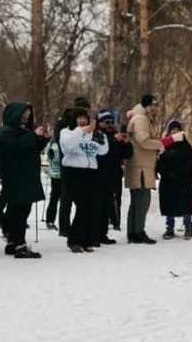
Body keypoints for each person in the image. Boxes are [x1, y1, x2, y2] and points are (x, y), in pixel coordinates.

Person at [0, 102, 48, 258]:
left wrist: (43, 139)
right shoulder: (7, 132)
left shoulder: (22, 131)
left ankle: (13, 241)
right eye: (24, 113)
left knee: (20, 210)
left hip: (25, 176)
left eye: (27, 114)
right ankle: (19, 243)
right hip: (16, 177)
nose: (27, 116)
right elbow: (16, 148)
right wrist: (33, 135)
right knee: (19, 211)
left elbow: (31, 148)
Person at [60, 108, 108, 252]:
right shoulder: (67, 132)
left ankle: (87, 240)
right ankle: (74, 240)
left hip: (91, 172)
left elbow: (103, 150)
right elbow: (67, 146)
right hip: (74, 172)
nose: (82, 121)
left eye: (85, 118)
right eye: (79, 118)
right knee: (82, 206)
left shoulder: (92, 134)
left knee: (91, 207)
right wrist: (82, 130)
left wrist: (100, 139)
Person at [125, 94, 162, 244]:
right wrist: (160, 144)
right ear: (147, 106)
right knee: (142, 201)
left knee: (137, 201)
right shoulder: (141, 119)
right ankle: (138, 232)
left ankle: (133, 232)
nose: (155, 108)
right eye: (153, 105)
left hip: (139, 165)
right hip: (140, 167)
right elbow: (143, 141)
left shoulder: (140, 117)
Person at [94, 109, 133, 244]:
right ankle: (95, 234)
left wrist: (127, 142)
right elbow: (100, 150)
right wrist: (113, 140)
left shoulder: (115, 136)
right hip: (98, 175)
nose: (110, 124)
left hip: (113, 175)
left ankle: (103, 233)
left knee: (108, 205)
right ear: (100, 123)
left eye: (112, 122)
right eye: (107, 122)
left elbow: (126, 154)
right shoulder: (97, 134)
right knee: (98, 206)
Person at [158, 120, 192, 240]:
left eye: (177, 130)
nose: (175, 132)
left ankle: (188, 227)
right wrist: (167, 173)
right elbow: (160, 162)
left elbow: (190, 162)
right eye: (172, 130)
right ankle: (170, 228)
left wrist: (180, 173)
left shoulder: (186, 146)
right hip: (168, 181)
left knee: (185, 204)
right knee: (169, 204)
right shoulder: (164, 145)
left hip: (183, 181)